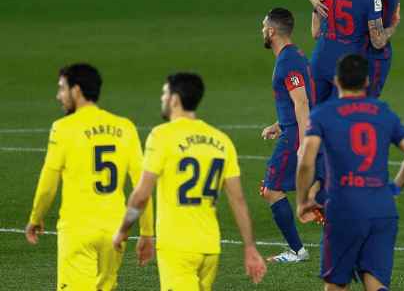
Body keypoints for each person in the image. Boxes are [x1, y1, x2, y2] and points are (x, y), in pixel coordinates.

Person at [112, 73, 266, 289]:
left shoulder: (161, 136)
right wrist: (250, 247)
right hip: (210, 248)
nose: (162, 99)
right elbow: (238, 200)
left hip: (178, 248)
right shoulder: (222, 141)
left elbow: (141, 195)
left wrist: (123, 229)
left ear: (175, 99)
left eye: (164, 93)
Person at [296, 54, 404, 291]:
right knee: (374, 281)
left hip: (344, 209)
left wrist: (303, 200)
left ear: (336, 81)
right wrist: (394, 188)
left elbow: (305, 161)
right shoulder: (384, 112)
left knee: (336, 283)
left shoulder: (323, 114)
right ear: (366, 82)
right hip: (383, 210)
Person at [25, 63, 154, 290]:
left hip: (78, 232)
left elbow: (48, 185)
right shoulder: (125, 127)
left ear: (76, 90)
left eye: (62, 88)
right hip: (115, 233)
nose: (58, 96)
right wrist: (146, 233)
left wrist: (36, 217)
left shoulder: (63, 128)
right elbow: (142, 187)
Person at [259, 8, 315, 262]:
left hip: (296, 136)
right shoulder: (295, 55)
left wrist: (303, 145)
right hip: (291, 129)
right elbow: (298, 101)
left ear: (272, 31)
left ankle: (297, 251)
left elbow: (302, 103)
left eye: (263, 26)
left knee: (271, 190)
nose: (262, 30)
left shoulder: (288, 61)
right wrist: (279, 123)